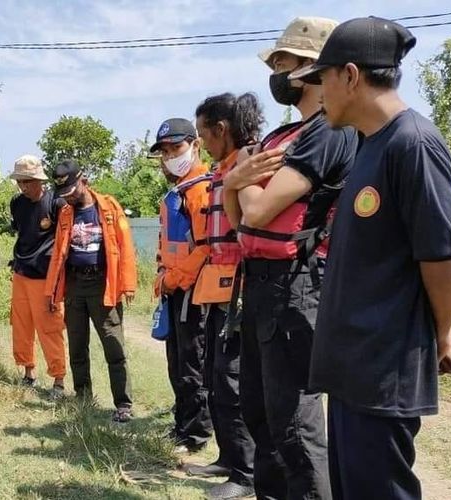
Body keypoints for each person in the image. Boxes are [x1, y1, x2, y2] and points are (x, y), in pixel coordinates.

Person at [290, 17, 451, 500]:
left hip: (383, 370)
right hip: (355, 368)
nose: (318, 94)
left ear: (350, 75)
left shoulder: (413, 144)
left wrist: (442, 331)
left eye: (321, 79)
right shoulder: (372, 144)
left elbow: (448, 260)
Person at [222, 17, 358, 499]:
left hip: (297, 284)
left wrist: (238, 182)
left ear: (313, 69)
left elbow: (255, 209)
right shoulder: (284, 137)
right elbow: (240, 224)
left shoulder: (328, 132)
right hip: (260, 282)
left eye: (283, 64)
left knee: (294, 424)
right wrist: (236, 185)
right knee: (259, 412)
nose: (276, 75)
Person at [190, 93, 264, 499]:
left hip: (243, 283)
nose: (201, 142)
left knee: (234, 378)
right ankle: (228, 456)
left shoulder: (250, 162)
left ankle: (246, 474)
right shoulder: (223, 168)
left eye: (204, 133)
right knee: (217, 372)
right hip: (219, 284)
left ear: (222, 129)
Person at [45, 160, 137, 422]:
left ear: (83, 180)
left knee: (113, 345)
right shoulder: (65, 214)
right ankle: (83, 397)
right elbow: (58, 256)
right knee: (76, 345)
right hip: (74, 285)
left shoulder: (108, 207)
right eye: (63, 194)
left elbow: (125, 246)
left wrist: (128, 284)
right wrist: (52, 292)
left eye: (71, 190)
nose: (68, 197)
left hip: (102, 285)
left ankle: (123, 404)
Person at [150, 118, 213, 454]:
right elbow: (169, 242)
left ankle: (196, 434)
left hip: (194, 291)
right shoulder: (177, 191)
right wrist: (161, 272)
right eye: (164, 150)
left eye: (176, 147)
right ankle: (182, 423)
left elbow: (205, 247)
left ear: (195, 145)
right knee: (176, 360)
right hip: (174, 289)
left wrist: (173, 278)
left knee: (192, 363)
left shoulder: (201, 189)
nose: (170, 155)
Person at [8, 155, 67, 398]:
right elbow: (22, 233)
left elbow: (65, 240)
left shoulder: (56, 202)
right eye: (21, 182)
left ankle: (59, 380)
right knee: (21, 326)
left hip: (46, 278)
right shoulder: (16, 203)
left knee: (50, 328)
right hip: (21, 273)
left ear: (39, 180)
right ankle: (28, 371)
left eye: (29, 181)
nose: (24, 187)